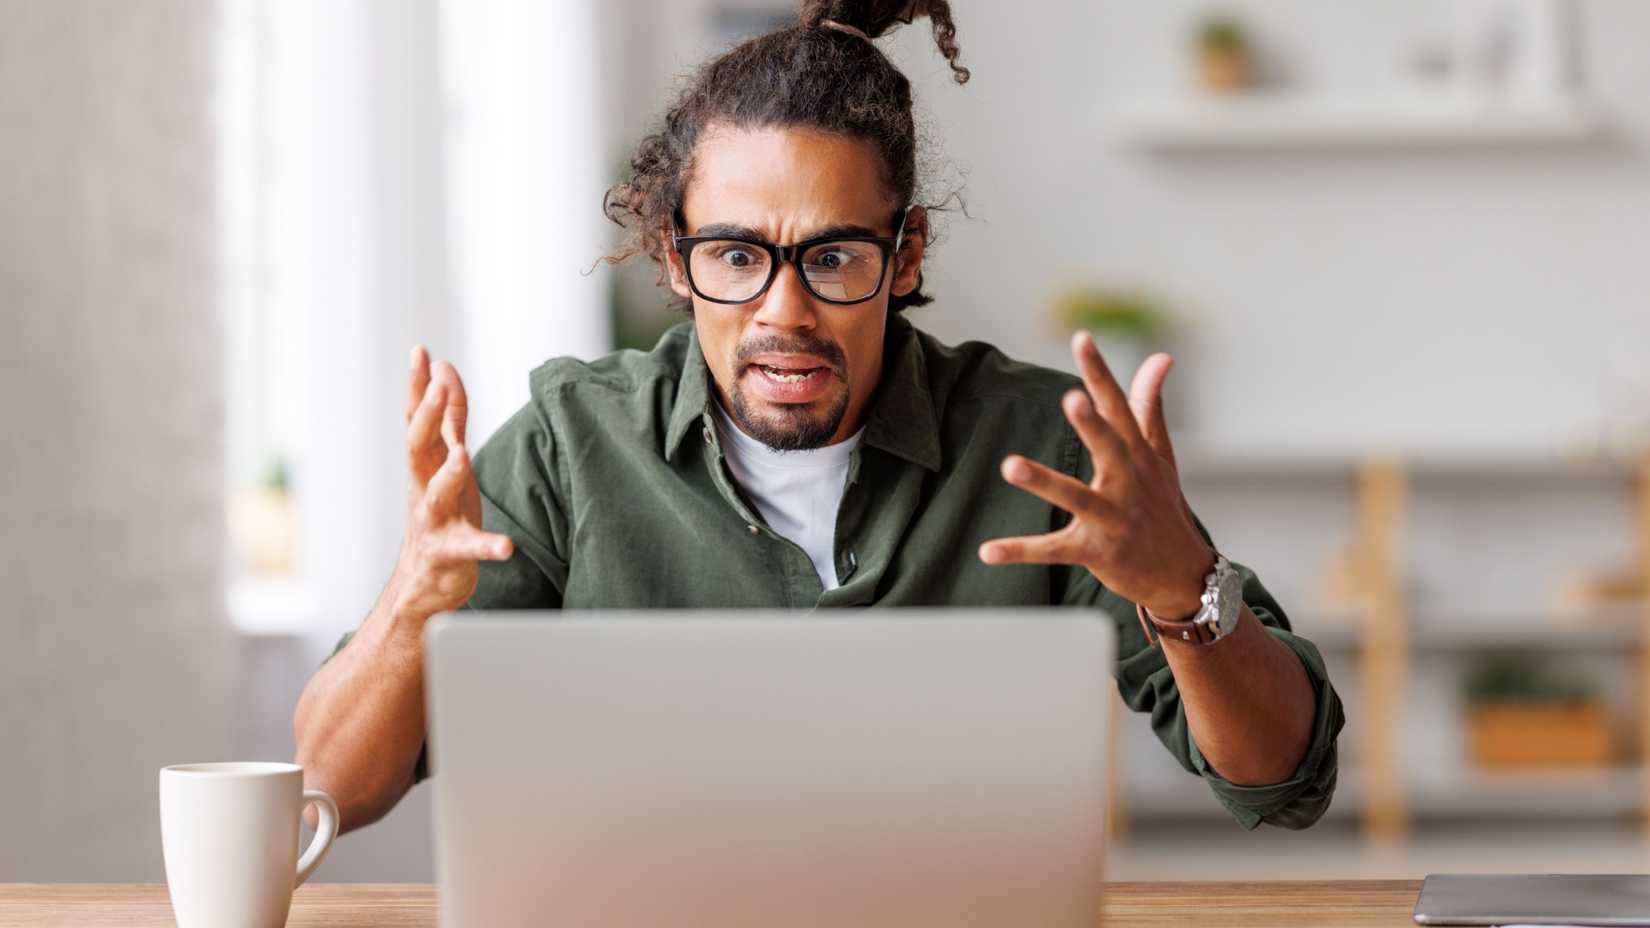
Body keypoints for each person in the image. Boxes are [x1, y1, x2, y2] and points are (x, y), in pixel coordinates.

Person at [294, 0, 1343, 837]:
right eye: (739, 256)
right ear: (675, 257)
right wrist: (410, 605)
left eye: (833, 256)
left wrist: (1181, 595)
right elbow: (327, 789)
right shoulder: (573, 444)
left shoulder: (1039, 445)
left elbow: (1285, 776)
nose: (784, 313)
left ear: (909, 253)